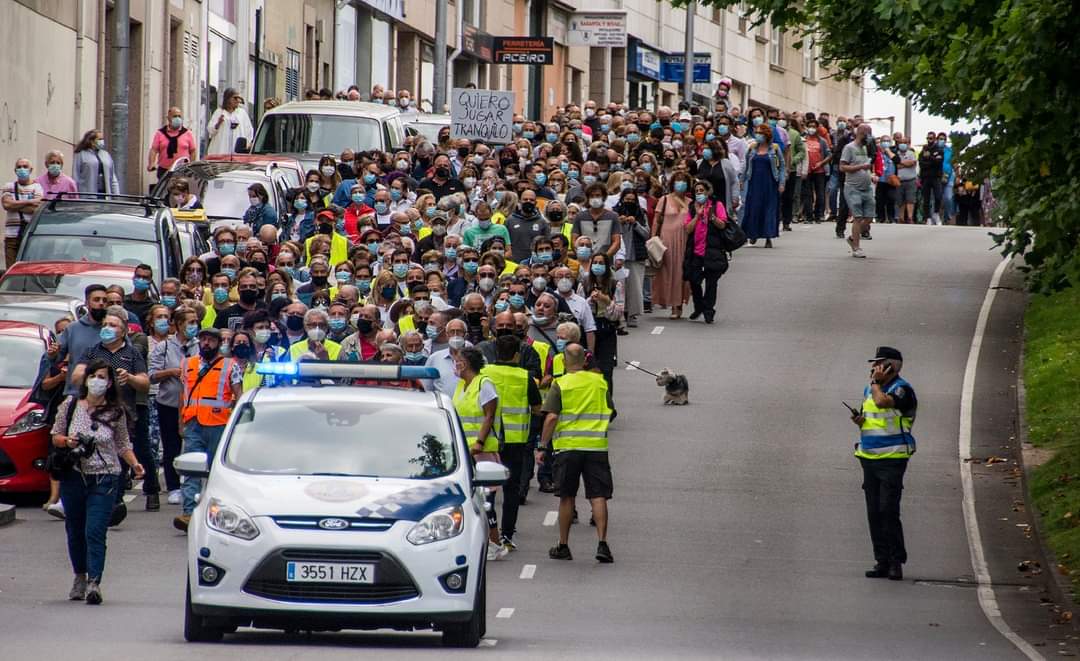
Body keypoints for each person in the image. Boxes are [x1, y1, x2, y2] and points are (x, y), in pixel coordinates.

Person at [52, 360, 144, 605]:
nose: (97, 381)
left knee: (95, 530)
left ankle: (95, 582)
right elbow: (55, 436)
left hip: (105, 476)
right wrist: (68, 442)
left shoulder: (116, 411)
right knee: (75, 529)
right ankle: (79, 576)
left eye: (102, 377)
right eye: (93, 375)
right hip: (74, 475)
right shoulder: (70, 406)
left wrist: (135, 464)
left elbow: (123, 443)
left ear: (110, 382)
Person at [536, 343, 614, 563]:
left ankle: (563, 545)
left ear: (565, 361)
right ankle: (602, 543)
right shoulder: (599, 382)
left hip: (568, 448)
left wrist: (542, 446)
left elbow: (551, 417)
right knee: (598, 496)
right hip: (596, 447)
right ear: (585, 361)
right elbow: (610, 409)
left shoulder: (561, 383)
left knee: (567, 496)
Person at [851, 347, 918, 581]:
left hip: (893, 458)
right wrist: (860, 421)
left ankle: (895, 562)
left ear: (892, 366)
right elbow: (871, 419)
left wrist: (877, 384)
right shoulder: (870, 389)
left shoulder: (901, 389)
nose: (873, 369)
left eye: (879, 364)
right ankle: (881, 560)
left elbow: (883, 404)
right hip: (869, 458)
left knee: (888, 510)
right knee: (874, 513)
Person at [174, 328, 242, 531]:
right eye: (203, 340)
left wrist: (236, 425)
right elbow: (183, 394)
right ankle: (188, 513)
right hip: (193, 422)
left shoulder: (231, 365)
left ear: (219, 344)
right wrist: (181, 421)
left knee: (216, 470)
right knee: (191, 469)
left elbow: (239, 394)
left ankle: (215, 514)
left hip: (219, 423)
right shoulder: (188, 363)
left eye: (211, 340)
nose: (206, 343)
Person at [483, 335, 542, 552]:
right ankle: (508, 534)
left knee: (487, 489)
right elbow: (537, 408)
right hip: (516, 442)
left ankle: (491, 530)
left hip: (489, 440)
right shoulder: (524, 376)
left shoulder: (484, 374)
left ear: (496, 353)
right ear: (518, 354)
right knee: (511, 490)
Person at [451, 347, 507, 561]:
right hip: (463, 451)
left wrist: (479, 442)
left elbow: (489, 416)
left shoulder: (484, 384)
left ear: (465, 363)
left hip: (481, 451)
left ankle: (495, 543)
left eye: (457, 360)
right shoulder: (460, 386)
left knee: (487, 499)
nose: (455, 364)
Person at [149, 306, 198, 506]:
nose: (194, 326)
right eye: (190, 322)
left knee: (194, 444)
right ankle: (174, 486)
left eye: (196, 322)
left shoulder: (199, 345)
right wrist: (171, 372)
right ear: (178, 325)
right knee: (171, 446)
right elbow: (151, 375)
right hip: (168, 402)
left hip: (193, 403)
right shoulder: (165, 347)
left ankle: (194, 484)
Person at [684, 181, 729, 324]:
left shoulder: (717, 206)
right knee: (694, 281)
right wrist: (697, 216)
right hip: (696, 251)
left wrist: (712, 217)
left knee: (711, 283)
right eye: (697, 191)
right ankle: (699, 307)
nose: (699, 194)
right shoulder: (692, 207)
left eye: (702, 191)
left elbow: (723, 225)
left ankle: (709, 310)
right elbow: (688, 229)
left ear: (708, 192)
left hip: (713, 251)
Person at [651, 172, 692, 319]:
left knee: (681, 273)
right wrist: (653, 237)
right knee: (667, 272)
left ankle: (678, 304)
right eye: (678, 180)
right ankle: (668, 303)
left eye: (683, 181)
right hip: (666, 240)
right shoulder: (664, 199)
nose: (680, 183)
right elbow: (656, 220)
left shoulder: (690, 202)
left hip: (684, 240)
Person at [739, 123, 785, 249]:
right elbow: (746, 165)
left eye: (760, 133)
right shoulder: (752, 148)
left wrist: (781, 183)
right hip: (754, 183)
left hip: (770, 183)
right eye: (757, 132)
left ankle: (768, 236)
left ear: (767, 135)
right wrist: (742, 180)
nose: (758, 135)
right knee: (753, 208)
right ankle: (752, 234)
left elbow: (781, 166)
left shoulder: (774, 149)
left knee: (769, 209)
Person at [840, 124, 875, 258]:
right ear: (861, 133)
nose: (870, 137)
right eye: (868, 134)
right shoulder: (849, 148)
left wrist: (871, 174)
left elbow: (867, 166)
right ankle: (856, 247)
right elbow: (842, 167)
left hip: (867, 187)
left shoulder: (865, 148)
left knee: (869, 218)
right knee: (858, 217)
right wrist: (860, 166)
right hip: (853, 187)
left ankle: (853, 237)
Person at [2, 158, 44, 267]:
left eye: (25, 167)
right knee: (11, 269)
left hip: (29, 236)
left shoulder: (37, 187)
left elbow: (35, 208)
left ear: (30, 170)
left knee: (27, 269)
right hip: (11, 237)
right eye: (19, 167)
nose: (22, 169)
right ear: (15, 170)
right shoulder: (8, 186)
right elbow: (7, 205)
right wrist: (29, 201)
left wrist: (14, 205)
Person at [147, 107, 197, 181]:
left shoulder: (187, 133)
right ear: (168, 118)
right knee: (165, 191)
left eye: (179, 116)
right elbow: (154, 150)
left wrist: (190, 166)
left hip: (182, 171)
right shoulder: (160, 133)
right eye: (174, 116)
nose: (177, 118)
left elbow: (193, 151)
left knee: (179, 191)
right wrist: (151, 163)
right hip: (164, 171)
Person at [72, 129, 120, 196]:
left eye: (102, 139)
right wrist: (76, 195)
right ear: (92, 141)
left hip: (105, 195)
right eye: (100, 139)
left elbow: (112, 177)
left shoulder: (106, 155)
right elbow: (75, 176)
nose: (102, 141)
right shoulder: (80, 154)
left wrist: (116, 195)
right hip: (87, 196)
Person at [206, 88, 254, 155]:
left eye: (238, 98)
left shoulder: (241, 113)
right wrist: (218, 123)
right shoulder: (219, 112)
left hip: (237, 152)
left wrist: (246, 146)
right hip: (221, 150)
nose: (237, 101)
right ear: (228, 98)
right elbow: (210, 130)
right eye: (235, 98)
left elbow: (249, 130)